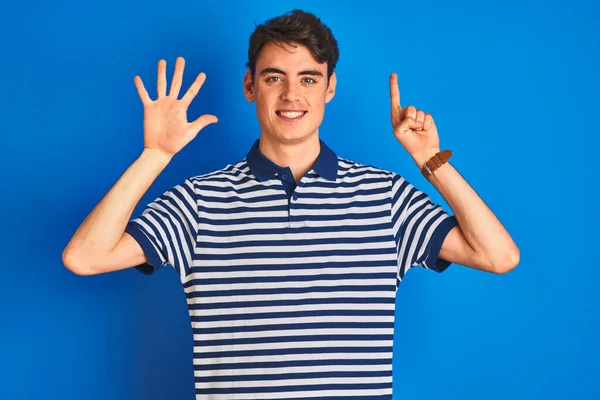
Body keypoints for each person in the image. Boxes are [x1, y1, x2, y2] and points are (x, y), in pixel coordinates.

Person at [63, 9, 519, 400]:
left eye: (308, 78)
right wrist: (154, 156)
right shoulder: (199, 201)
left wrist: (429, 160)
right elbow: (85, 257)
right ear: (250, 85)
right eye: (274, 77)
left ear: (330, 88)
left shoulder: (386, 197)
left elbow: (497, 256)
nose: (291, 95)